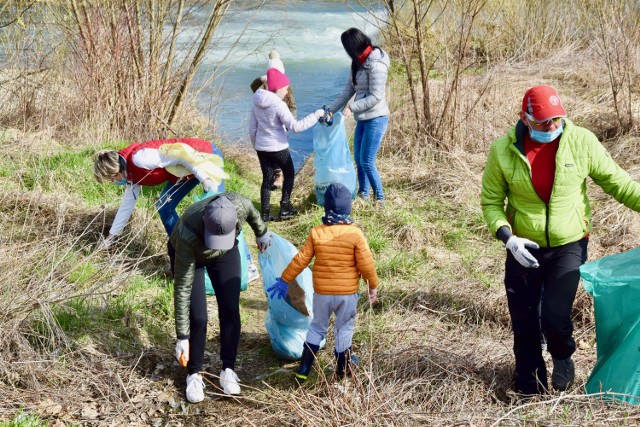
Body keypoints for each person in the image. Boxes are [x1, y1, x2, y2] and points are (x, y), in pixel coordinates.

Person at [481, 85, 640, 396]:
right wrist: (508, 237)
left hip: (569, 243)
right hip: (522, 244)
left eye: (557, 119)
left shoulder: (581, 141)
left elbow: (618, 182)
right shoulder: (503, 150)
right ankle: (529, 388)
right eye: (543, 122)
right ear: (524, 118)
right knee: (525, 321)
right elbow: (490, 201)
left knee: (553, 316)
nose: (552, 127)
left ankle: (564, 355)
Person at [267, 183, 378, 380]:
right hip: (347, 294)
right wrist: (373, 286)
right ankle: (342, 369)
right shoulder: (355, 234)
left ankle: (303, 368)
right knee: (343, 328)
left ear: (326, 208)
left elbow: (301, 259)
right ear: (348, 208)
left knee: (317, 327)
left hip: (322, 294)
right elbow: (366, 264)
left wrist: (285, 279)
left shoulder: (317, 232)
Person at [170, 192, 273, 403]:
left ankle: (228, 369)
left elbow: (254, 215)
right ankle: (194, 374)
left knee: (230, 308)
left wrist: (261, 233)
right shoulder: (187, 234)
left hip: (226, 254)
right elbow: (182, 288)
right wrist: (182, 336)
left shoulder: (241, 204)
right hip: (192, 256)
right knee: (198, 317)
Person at [93, 138, 227, 247]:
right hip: (184, 171)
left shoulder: (140, 159)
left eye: (111, 179)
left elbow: (182, 156)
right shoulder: (130, 175)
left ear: (116, 172)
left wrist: (205, 179)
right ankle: (184, 248)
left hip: (204, 156)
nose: (113, 182)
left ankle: (248, 262)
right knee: (164, 205)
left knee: (219, 212)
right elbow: (127, 206)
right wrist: (111, 237)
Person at [326, 28, 390, 209]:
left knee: (367, 160)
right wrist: (330, 110)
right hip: (363, 117)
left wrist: (351, 107)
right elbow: (348, 90)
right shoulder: (357, 62)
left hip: (376, 117)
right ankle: (363, 193)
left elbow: (377, 95)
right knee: (358, 158)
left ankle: (380, 198)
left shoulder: (376, 64)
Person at [250, 67, 325, 222]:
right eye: (285, 88)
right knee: (289, 173)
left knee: (267, 179)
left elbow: (252, 128)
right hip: (278, 147)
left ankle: (265, 213)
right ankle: (285, 207)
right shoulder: (279, 104)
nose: (286, 92)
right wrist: (317, 115)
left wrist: (256, 145)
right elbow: (296, 127)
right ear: (277, 88)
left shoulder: (257, 101)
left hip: (261, 147)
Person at [249, 50, 298, 192]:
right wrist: (263, 78)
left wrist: (290, 121)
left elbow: (293, 105)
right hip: (266, 123)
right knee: (269, 151)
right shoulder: (264, 86)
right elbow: (253, 86)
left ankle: (278, 175)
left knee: (280, 150)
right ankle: (273, 175)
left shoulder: (286, 85)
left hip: (283, 120)